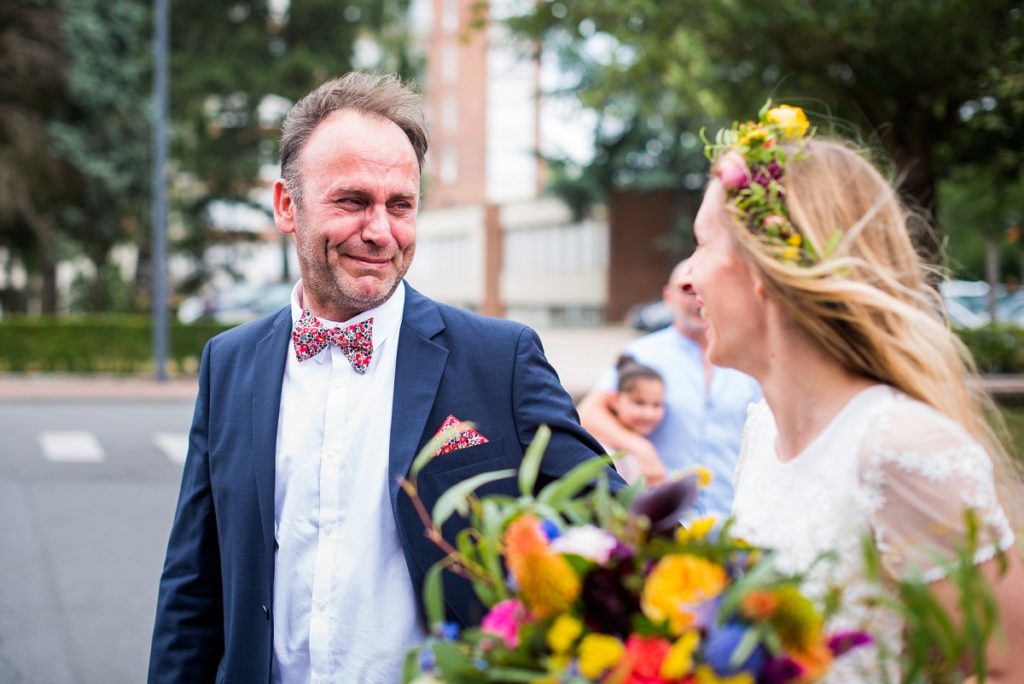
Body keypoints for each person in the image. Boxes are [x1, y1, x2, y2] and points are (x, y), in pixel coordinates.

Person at [148, 73, 621, 684]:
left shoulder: (499, 360)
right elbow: (194, 585)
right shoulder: (230, 362)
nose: (380, 231)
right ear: (287, 206)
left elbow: (618, 534)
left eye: (400, 205)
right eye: (352, 201)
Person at [683, 104, 1024, 681]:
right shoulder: (762, 430)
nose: (687, 276)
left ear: (765, 265)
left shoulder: (900, 445)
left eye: (700, 245)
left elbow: (1003, 666)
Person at [579, 259, 761, 512]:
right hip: (669, 517)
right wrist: (640, 449)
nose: (697, 299)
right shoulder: (642, 353)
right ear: (668, 297)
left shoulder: (750, 356)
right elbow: (589, 414)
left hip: (736, 514)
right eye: (687, 291)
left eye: (704, 290)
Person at [603, 354, 667, 484]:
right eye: (639, 403)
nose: (648, 414)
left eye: (657, 404)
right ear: (615, 400)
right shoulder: (606, 451)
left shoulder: (649, 443)